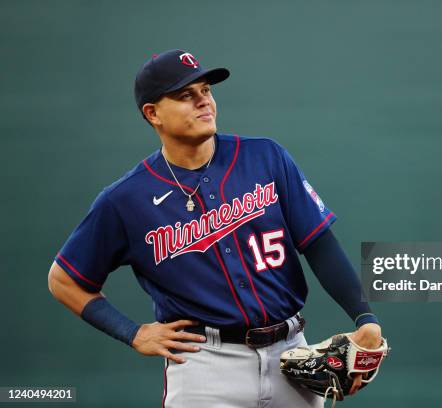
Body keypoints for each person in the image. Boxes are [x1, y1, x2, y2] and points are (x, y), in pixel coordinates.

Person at [47, 49, 382, 407]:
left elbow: (318, 244)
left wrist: (365, 316)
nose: (203, 101)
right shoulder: (125, 199)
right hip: (204, 365)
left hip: (291, 356)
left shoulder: (265, 157)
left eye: (205, 90)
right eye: (185, 95)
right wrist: (133, 333)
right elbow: (64, 280)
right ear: (153, 113)